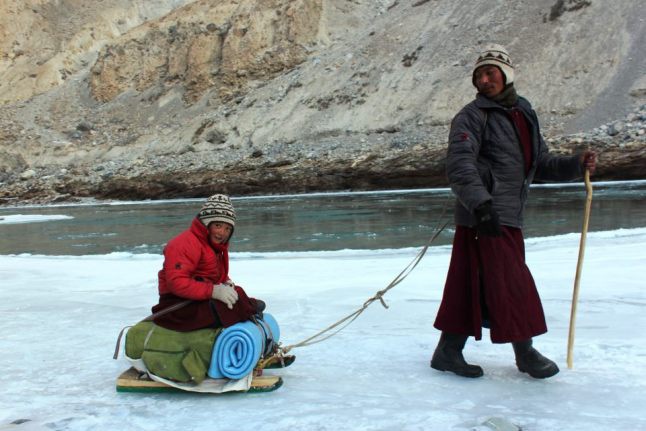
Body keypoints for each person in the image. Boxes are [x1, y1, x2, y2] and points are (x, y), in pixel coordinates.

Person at [430, 44, 596, 379]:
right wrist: (481, 204)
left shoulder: (524, 113)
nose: (484, 80)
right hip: (484, 214)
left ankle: (448, 351)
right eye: (479, 75)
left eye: (490, 73)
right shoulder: (471, 116)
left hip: (505, 214)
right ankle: (526, 353)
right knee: (512, 281)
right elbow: (460, 165)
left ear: (506, 74)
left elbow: (540, 164)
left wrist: (576, 165)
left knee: (473, 284)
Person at [151, 193, 264, 331]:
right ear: (206, 224)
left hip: (196, 299)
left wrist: (225, 282)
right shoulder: (184, 244)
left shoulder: (212, 247)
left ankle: (247, 308)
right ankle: (247, 309)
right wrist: (213, 291)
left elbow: (212, 273)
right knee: (226, 307)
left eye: (228, 228)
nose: (222, 232)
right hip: (176, 306)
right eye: (218, 225)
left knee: (236, 293)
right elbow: (176, 282)